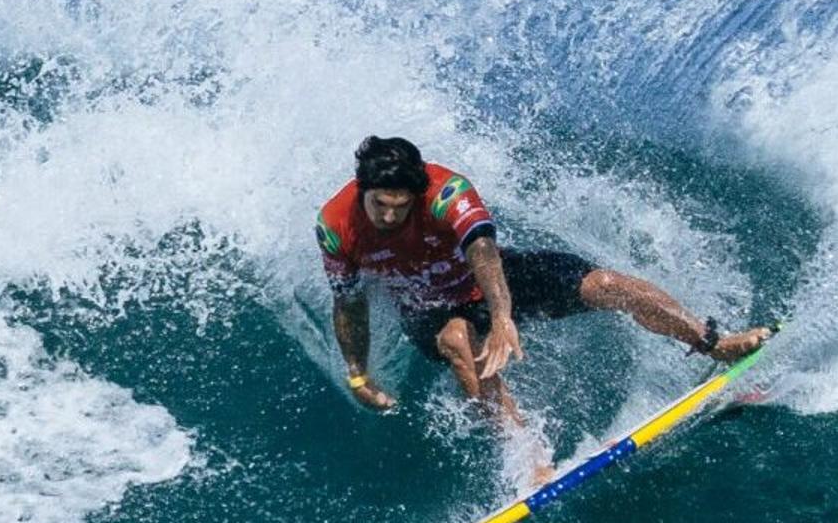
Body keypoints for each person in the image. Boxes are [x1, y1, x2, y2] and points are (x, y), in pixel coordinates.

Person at [319, 134, 770, 468]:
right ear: (363, 190)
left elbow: (483, 251)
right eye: (381, 205)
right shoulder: (337, 226)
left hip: (490, 281)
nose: (391, 216)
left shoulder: (446, 191)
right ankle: (528, 458)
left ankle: (716, 343)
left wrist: (501, 317)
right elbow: (349, 302)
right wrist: (358, 374)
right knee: (458, 337)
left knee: (607, 284)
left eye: (401, 206)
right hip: (427, 309)